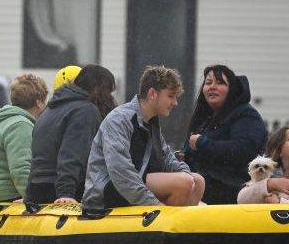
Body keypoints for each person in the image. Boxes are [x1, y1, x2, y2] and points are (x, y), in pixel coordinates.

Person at [82, 66, 205, 210]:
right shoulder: (119, 119)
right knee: (183, 183)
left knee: (198, 181)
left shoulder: (151, 122)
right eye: (171, 96)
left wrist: (187, 174)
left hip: (133, 184)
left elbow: (167, 158)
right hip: (105, 191)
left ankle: (182, 230)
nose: (175, 103)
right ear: (152, 93)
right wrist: (156, 205)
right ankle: (162, 227)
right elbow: (121, 172)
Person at [26, 64, 117, 204]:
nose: (111, 98)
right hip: (60, 190)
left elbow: (38, 159)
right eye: (109, 92)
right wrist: (66, 193)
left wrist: (28, 196)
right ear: (98, 89)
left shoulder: (50, 110)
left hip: (36, 188)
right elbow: (72, 155)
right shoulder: (85, 111)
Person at [183, 64, 267, 204]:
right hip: (200, 191)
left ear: (231, 89)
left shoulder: (246, 114)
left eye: (220, 82)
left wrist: (203, 143)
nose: (212, 87)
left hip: (233, 195)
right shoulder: (203, 118)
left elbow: (244, 150)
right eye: (208, 82)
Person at [0, 74, 49, 204]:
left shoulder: (2, 121)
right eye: (44, 101)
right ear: (39, 102)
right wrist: (31, 198)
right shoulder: (21, 125)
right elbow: (21, 167)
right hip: (10, 195)